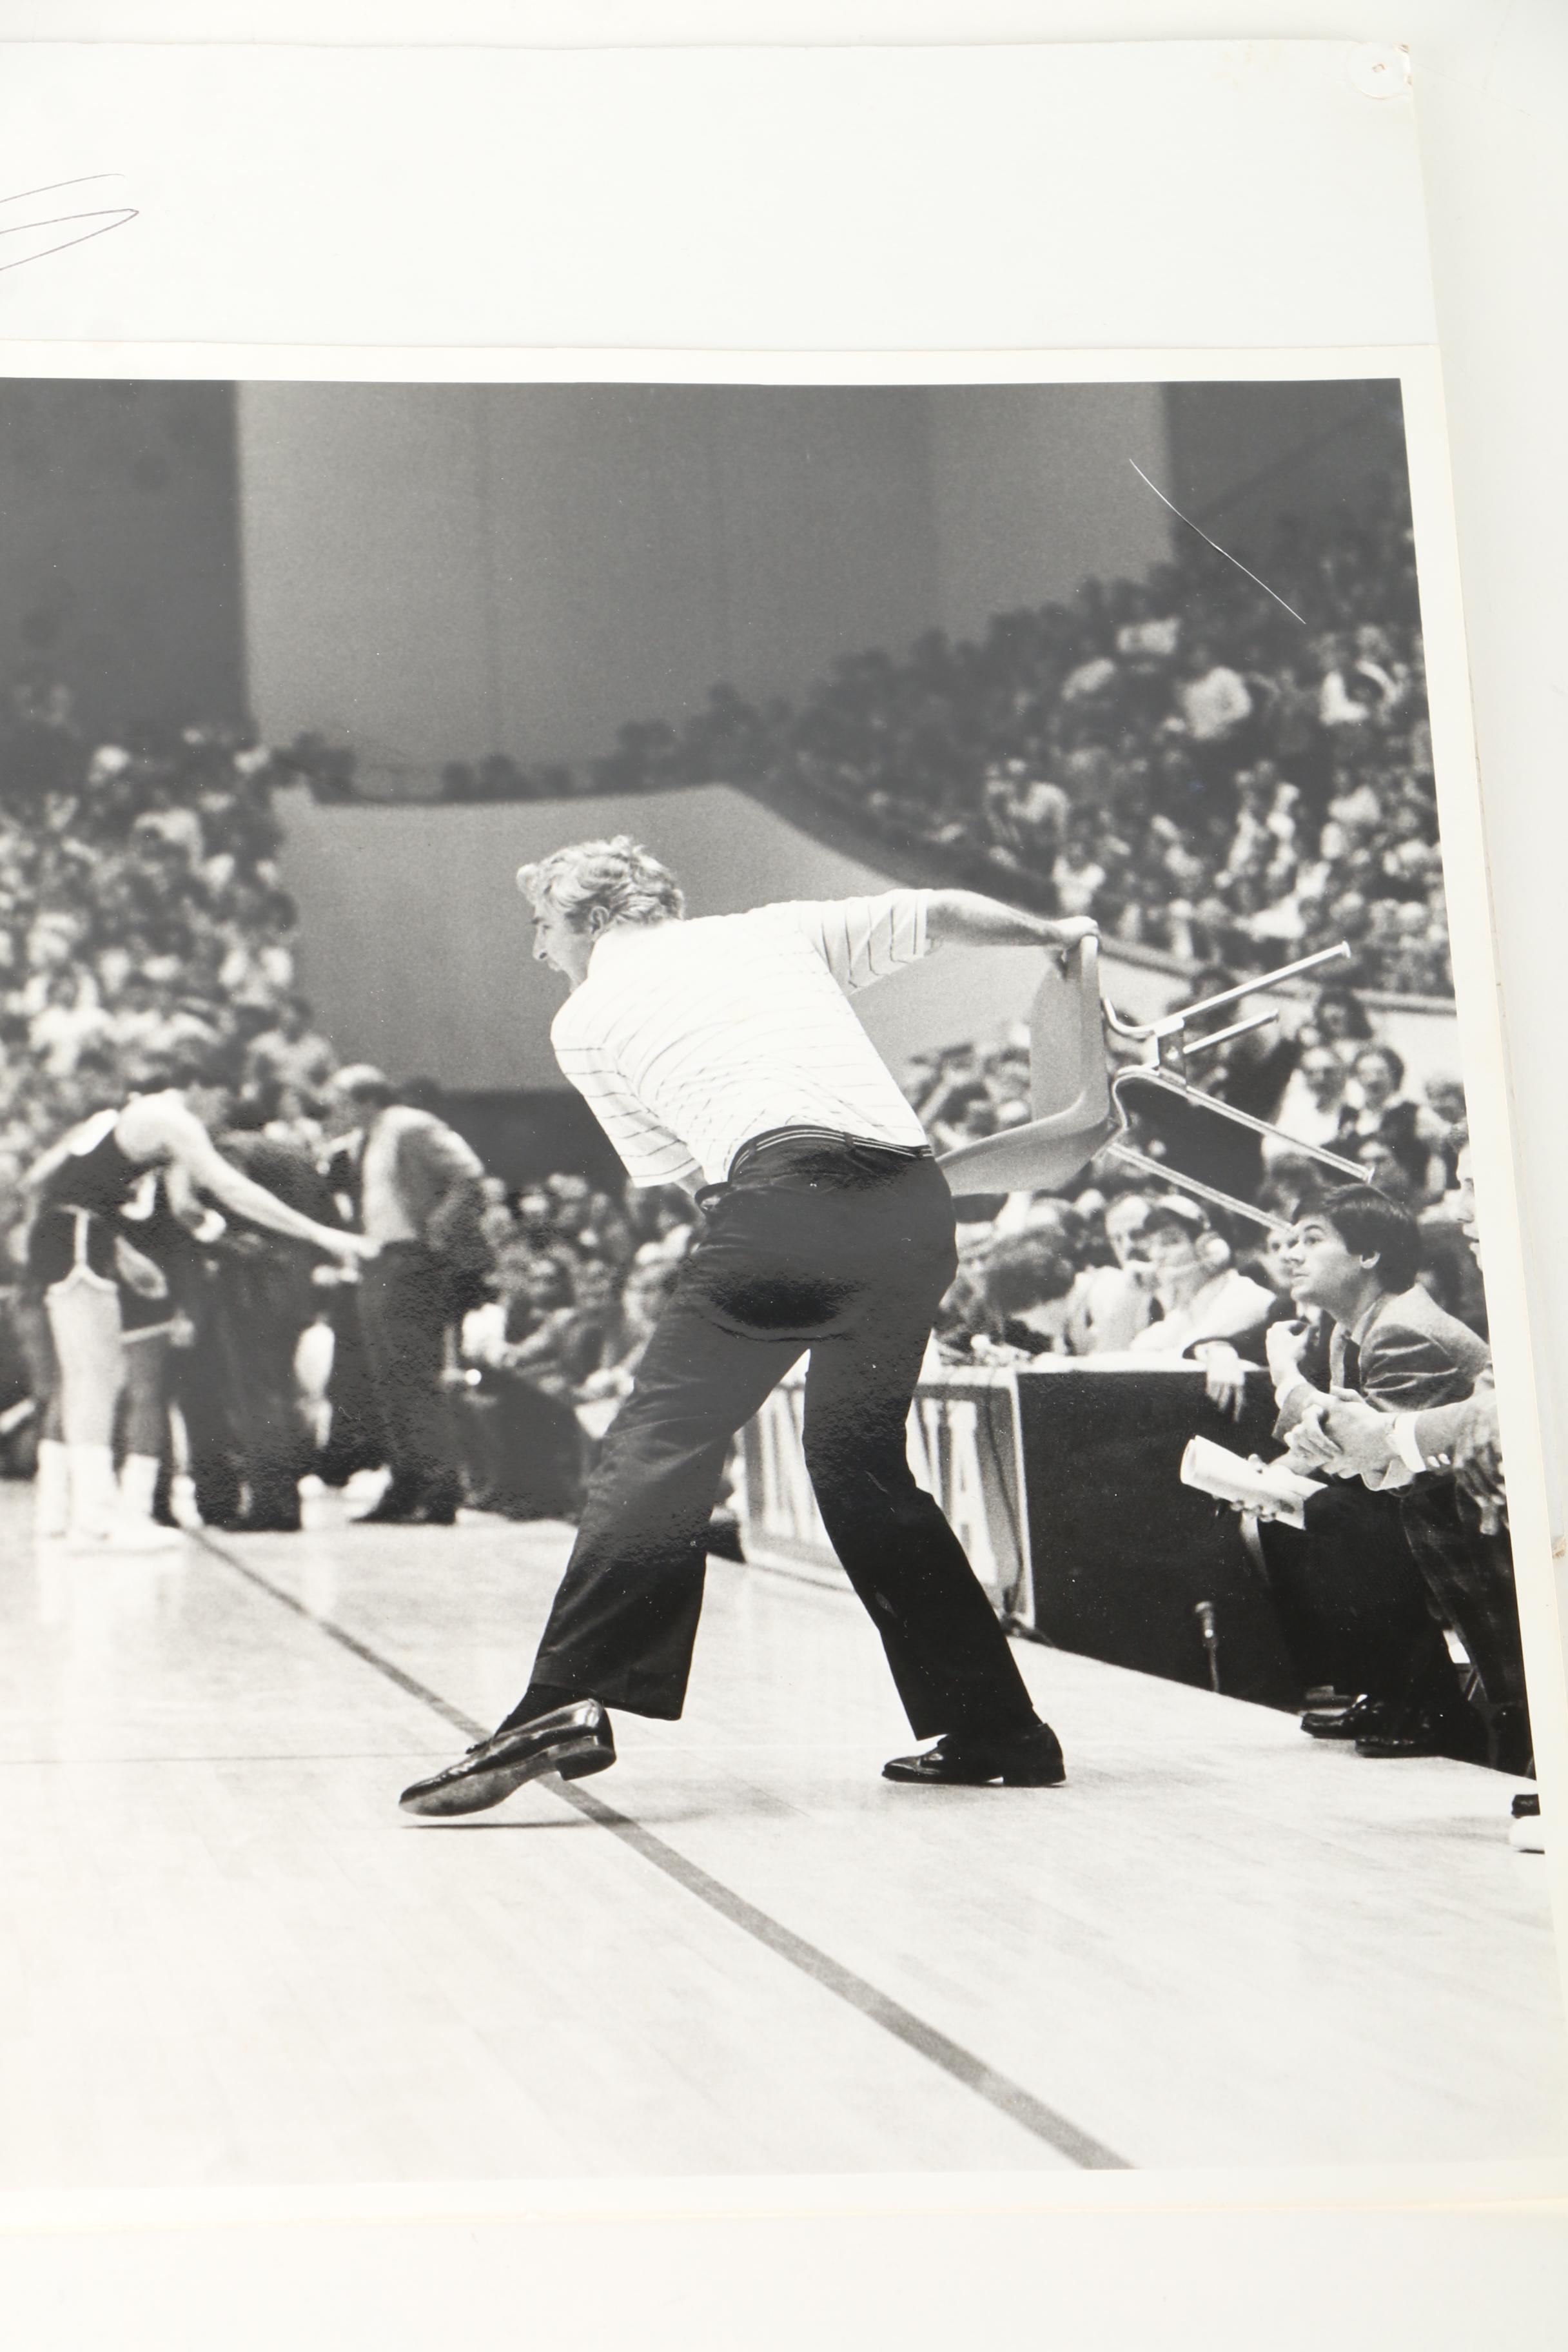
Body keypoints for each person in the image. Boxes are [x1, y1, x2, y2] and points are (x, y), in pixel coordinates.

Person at [401, 838, 1097, 1816]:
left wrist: (760, 1258)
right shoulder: (777, 932)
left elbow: (701, 1185)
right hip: (913, 1207)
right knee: (861, 1471)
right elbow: (940, 910)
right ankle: (1001, 1729)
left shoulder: (586, 1017)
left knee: (656, 1447)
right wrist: (1055, 935)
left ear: (592, 919)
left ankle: (561, 1701)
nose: (538, 949)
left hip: (778, 1197)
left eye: (541, 926)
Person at [20, 1064, 375, 1545]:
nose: (220, 1114)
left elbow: (51, 1180)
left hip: (75, 1233)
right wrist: (319, 1232)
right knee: (94, 1381)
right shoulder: (171, 1119)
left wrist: (115, 1249)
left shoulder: (118, 1117)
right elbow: (232, 1188)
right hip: (81, 1234)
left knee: (87, 1380)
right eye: (219, 1101)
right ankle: (96, 1522)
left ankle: (64, 1514)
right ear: (197, 1087)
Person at [1263, 1184, 1491, 1758]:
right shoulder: (1351, 1326)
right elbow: (1340, 1437)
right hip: (1429, 1489)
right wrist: (1272, 1474)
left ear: (1369, 1255)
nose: (1291, 1254)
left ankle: (1433, 1707)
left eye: (1311, 1240)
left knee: (1340, 1514)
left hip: (1469, 1504)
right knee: (1294, 1511)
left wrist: (1284, 1377)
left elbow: (1370, 1448)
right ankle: (1388, 1690)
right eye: (1290, 1241)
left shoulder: (1401, 1327)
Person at [320, 1066, 493, 1524]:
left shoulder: (410, 1125)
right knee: (388, 1378)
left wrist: (437, 1228)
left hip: (412, 1258)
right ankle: (408, 1482)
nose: (332, 1109)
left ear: (365, 1099)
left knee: (412, 1375)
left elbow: (469, 1175)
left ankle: (439, 1487)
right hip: (380, 1260)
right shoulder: (367, 1138)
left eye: (339, 1099)